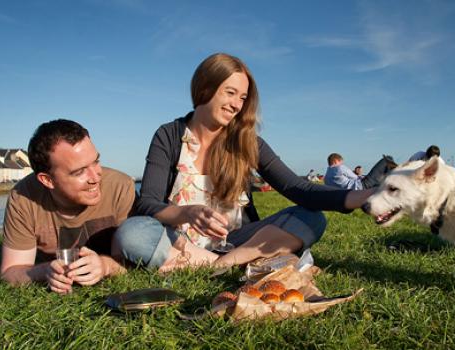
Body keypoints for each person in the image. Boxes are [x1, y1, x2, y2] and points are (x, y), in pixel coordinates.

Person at [113, 53, 375, 272]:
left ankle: (222, 262)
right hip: (180, 241)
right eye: (230, 93)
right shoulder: (169, 135)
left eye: (242, 97)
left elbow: (298, 189)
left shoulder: (248, 142)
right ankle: (226, 264)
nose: (237, 105)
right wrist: (187, 213)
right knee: (132, 233)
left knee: (311, 218)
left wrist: (364, 196)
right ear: (205, 88)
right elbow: (148, 202)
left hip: (237, 241)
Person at [0, 119, 135, 294]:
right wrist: (45, 271)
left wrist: (105, 266)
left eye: (96, 161)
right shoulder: (23, 198)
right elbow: (10, 271)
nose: (95, 177)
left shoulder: (120, 187)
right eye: (79, 172)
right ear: (47, 180)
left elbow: (137, 260)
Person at [324, 153, 396, 190]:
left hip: (349, 193)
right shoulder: (339, 168)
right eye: (341, 162)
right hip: (361, 186)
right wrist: (359, 174)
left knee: (379, 183)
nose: (342, 164)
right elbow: (356, 178)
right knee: (387, 159)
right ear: (336, 161)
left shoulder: (326, 178)